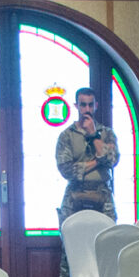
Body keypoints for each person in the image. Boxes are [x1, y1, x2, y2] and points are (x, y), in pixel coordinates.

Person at [55, 86, 119, 221]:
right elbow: (67, 170)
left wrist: (93, 135)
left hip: (103, 196)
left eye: (90, 105)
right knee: (71, 233)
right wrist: (99, 161)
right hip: (74, 195)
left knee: (107, 233)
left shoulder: (107, 133)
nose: (87, 109)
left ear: (96, 106)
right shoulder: (67, 135)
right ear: (76, 106)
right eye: (83, 105)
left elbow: (112, 160)